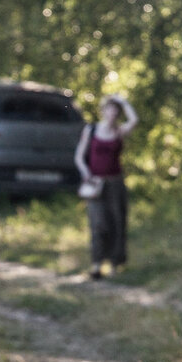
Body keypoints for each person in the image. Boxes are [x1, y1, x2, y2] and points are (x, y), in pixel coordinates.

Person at [74, 94, 137, 279]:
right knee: (98, 223)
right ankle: (96, 264)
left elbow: (134, 120)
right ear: (103, 111)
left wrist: (124, 101)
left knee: (117, 222)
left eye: (116, 111)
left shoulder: (119, 131)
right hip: (95, 183)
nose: (112, 114)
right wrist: (85, 172)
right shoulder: (91, 130)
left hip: (115, 183)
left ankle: (115, 264)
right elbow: (79, 156)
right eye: (110, 109)